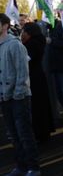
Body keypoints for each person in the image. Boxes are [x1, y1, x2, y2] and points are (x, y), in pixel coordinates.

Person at [0, 14, 41, 176]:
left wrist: (17, 94)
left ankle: (33, 167)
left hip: (19, 97)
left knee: (24, 133)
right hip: (4, 97)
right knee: (13, 134)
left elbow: (22, 73)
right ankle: (21, 166)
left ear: (5, 26)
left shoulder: (15, 45)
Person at [21, 22, 55, 142]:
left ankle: (41, 132)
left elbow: (27, 60)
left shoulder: (33, 43)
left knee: (37, 106)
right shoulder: (37, 41)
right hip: (37, 76)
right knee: (40, 105)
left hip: (35, 78)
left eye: (24, 30)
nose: (22, 33)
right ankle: (42, 131)